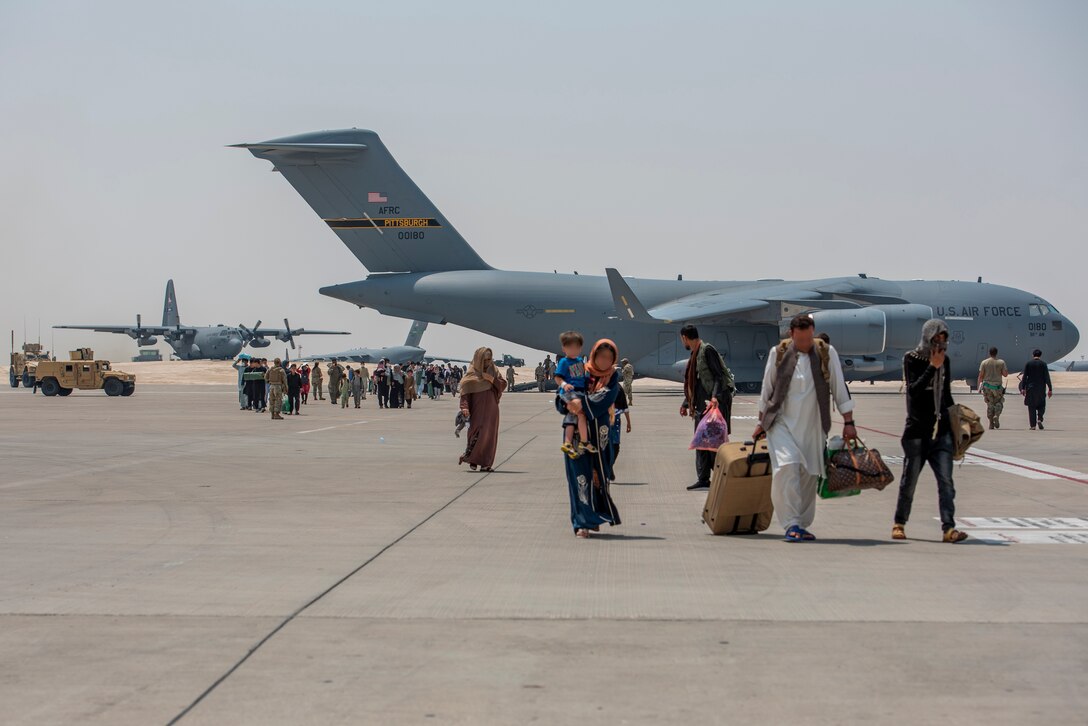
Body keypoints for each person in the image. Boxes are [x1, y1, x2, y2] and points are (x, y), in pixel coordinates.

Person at [753, 315, 855, 542]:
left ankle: (801, 523)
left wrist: (849, 422)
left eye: (809, 338)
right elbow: (766, 390)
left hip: (814, 425)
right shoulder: (777, 353)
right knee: (787, 467)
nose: (805, 343)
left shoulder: (827, 353)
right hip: (781, 424)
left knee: (809, 473)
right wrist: (761, 423)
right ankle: (791, 524)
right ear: (791, 334)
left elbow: (839, 388)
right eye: (801, 340)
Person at [892, 319, 969, 543]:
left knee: (946, 482)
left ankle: (949, 529)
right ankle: (899, 523)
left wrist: (957, 424)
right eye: (937, 339)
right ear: (928, 337)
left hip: (941, 433)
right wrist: (932, 367)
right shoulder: (912, 359)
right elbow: (913, 391)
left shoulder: (946, 362)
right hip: (917, 431)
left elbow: (945, 396)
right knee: (909, 481)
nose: (941, 344)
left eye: (944, 339)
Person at [563, 339, 623, 538]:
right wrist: (569, 401)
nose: (604, 361)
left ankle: (595, 516)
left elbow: (606, 397)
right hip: (577, 438)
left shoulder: (612, 377)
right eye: (600, 356)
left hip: (601, 439)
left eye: (608, 357)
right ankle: (582, 523)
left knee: (598, 479)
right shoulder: (579, 370)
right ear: (593, 355)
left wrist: (580, 403)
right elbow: (562, 393)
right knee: (580, 480)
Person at [679, 324, 735, 491]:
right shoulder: (696, 354)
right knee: (701, 442)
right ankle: (703, 479)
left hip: (713, 404)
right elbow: (695, 383)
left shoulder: (707, 351)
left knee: (714, 444)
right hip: (701, 406)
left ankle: (723, 476)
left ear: (685, 338)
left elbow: (719, 376)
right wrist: (685, 403)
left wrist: (714, 397)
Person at [458, 347, 507, 471]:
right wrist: (464, 407)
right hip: (477, 409)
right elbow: (465, 393)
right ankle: (473, 459)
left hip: (492, 410)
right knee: (476, 433)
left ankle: (486, 463)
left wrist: (492, 380)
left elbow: (502, 384)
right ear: (479, 359)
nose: (488, 362)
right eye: (485, 360)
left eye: (490, 359)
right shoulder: (471, 374)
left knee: (489, 435)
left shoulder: (494, 371)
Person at [554, 331, 593, 458]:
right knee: (581, 414)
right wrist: (564, 385)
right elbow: (557, 378)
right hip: (569, 392)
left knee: (573, 416)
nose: (573, 350)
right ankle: (584, 441)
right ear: (563, 349)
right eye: (570, 347)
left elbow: (583, 377)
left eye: (576, 347)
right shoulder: (564, 362)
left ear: (580, 348)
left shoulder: (580, 361)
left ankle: (567, 443)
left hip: (580, 391)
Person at [1020, 349, 1053, 431]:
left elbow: (1024, 377)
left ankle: (1033, 426)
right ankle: (1040, 419)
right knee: (1042, 405)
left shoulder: (1028, 364)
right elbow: (1047, 377)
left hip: (1031, 388)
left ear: (1033, 355)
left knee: (1031, 407)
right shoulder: (1043, 364)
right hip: (1041, 389)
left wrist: (1022, 388)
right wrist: (1050, 389)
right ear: (1040, 355)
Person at [977, 347, 1008, 430]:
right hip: (997, 387)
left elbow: (981, 375)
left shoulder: (984, 362)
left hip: (987, 387)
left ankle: (991, 423)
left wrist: (979, 387)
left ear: (989, 353)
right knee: (999, 402)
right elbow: (1005, 374)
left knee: (990, 404)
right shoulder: (1001, 362)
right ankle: (996, 416)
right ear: (996, 353)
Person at [609, 385, 632, 473]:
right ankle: (609, 466)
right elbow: (625, 407)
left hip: (608, 419)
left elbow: (625, 407)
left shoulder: (599, 385)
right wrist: (628, 423)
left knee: (612, 445)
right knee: (615, 445)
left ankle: (608, 466)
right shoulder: (618, 388)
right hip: (613, 419)